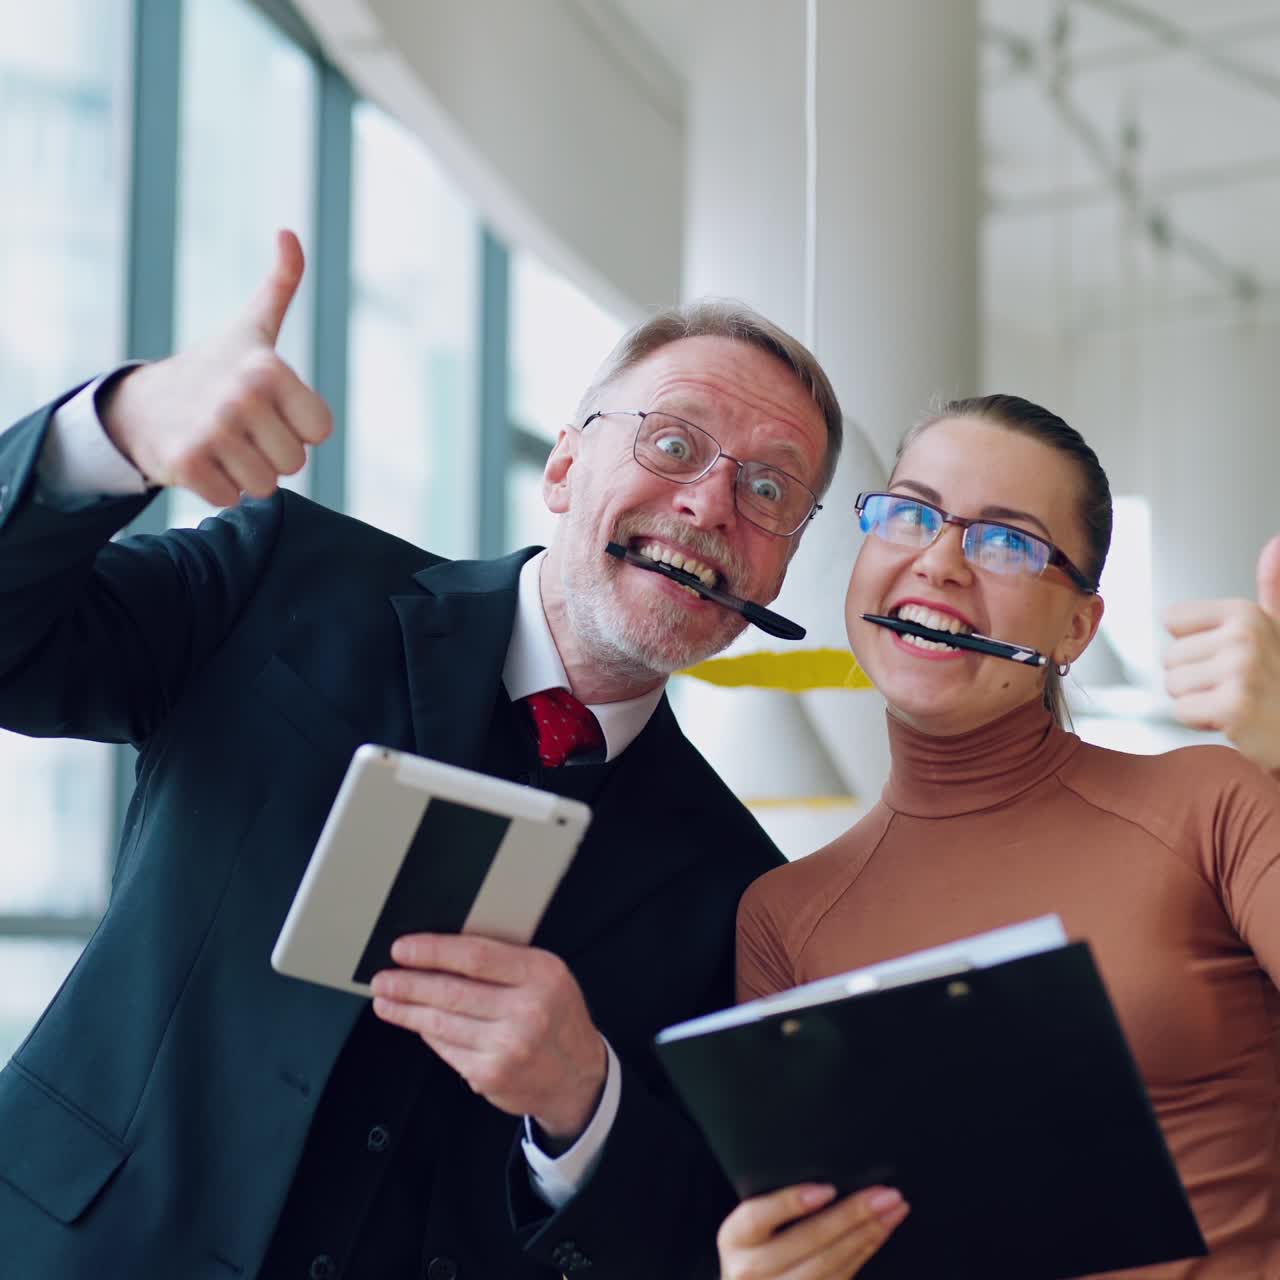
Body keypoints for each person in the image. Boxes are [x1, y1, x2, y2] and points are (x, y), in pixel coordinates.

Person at [0, 230, 844, 1279]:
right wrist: (114, 430)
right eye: (673, 443)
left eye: (769, 490)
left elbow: (692, 1240)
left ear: (780, 568)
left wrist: (584, 1104)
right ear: (564, 465)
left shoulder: (737, 884)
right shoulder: (281, 575)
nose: (710, 502)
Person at [722, 394, 1280, 1278]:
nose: (939, 560)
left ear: (1076, 628)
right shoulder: (782, 918)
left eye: (1006, 540)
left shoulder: (1212, 804)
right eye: (910, 513)